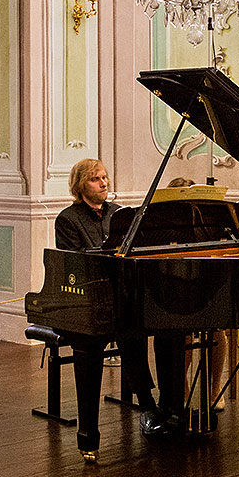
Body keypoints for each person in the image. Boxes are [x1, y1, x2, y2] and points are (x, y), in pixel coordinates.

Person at [54, 159, 158, 414]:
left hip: (120, 294)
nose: (104, 183)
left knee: (136, 321)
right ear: (80, 185)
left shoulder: (119, 213)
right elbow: (75, 264)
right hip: (85, 299)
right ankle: (146, 402)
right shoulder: (68, 219)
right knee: (128, 325)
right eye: (95, 179)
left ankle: (161, 402)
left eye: (104, 177)